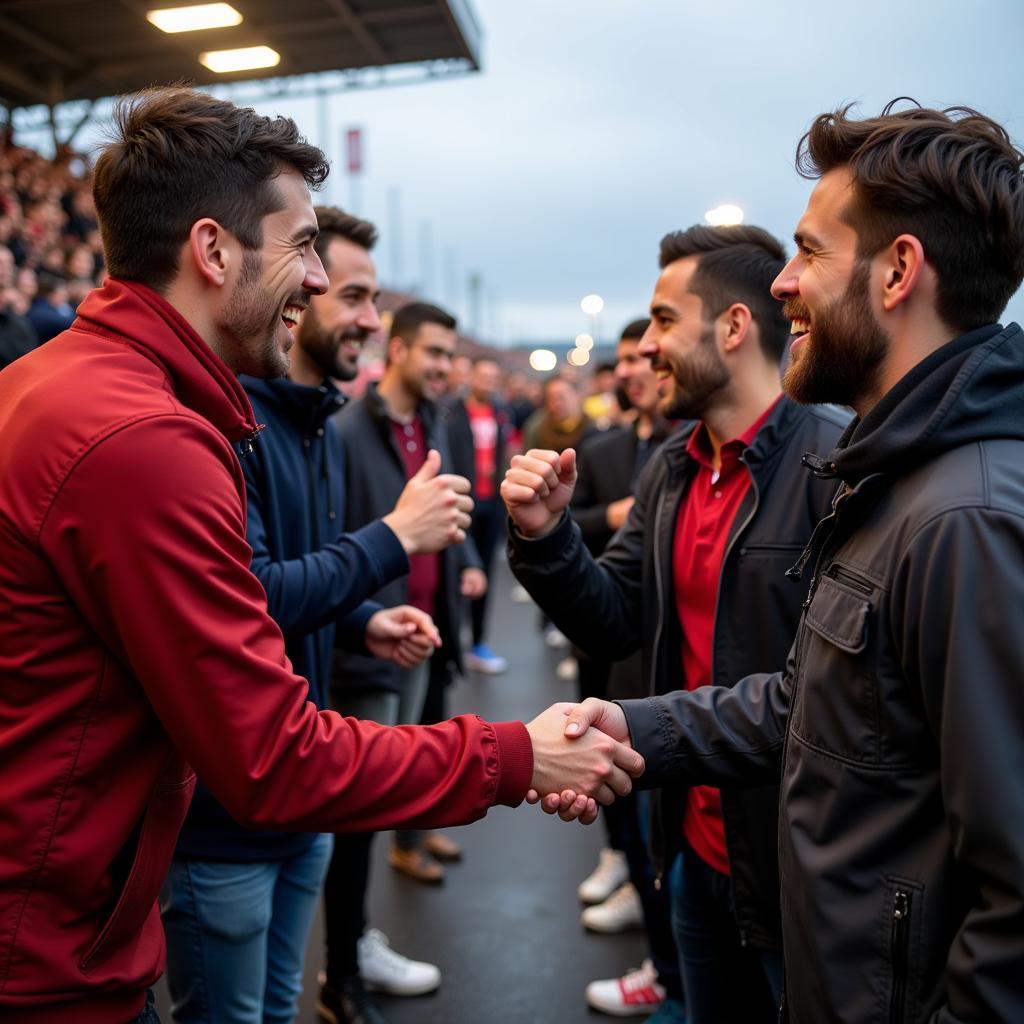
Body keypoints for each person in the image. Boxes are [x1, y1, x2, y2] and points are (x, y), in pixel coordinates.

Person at [0, 85, 643, 1024]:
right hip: (46, 958)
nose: (313, 279)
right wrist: (517, 755)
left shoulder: (59, 382)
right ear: (213, 250)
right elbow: (269, 758)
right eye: (301, 245)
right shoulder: (141, 436)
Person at [548, 101, 1024, 1023]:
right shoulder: (896, 475)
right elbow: (815, 703)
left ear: (898, 272)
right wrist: (632, 724)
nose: (782, 285)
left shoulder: (967, 516)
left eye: (809, 252)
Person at [503, 224, 849, 1022]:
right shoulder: (673, 467)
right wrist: (546, 535)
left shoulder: (834, 468)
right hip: (691, 847)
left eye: (663, 321)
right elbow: (617, 620)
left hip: (797, 869)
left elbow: (827, 699)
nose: (647, 348)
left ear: (732, 328)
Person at [159, 207, 462, 1024]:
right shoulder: (219, 427)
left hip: (301, 788)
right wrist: (394, 539)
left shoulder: (309, 421)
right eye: (349, 293)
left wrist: (363, 618)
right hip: (225, 818)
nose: (366, 314)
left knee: (273, 1011)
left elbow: (304, 568)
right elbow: (249, 594)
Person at [325, 301, 485, 1022]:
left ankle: (369, 918)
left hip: (422, 630)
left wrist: (468, 565)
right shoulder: (346, 430)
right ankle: (345, 963)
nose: (446, 367)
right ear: (397, 351)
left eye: (451, 355)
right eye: (434, 353)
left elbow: (453, 515)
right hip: (368, 643)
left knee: (400, 771)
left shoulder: (438, 423)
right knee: (356, 811)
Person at [569, 318, 684, 1017]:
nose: (639, 370)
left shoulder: (686, 457)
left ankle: (669, 974)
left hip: (692, 694)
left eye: (652, 357)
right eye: (631, 361)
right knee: (641, 827)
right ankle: (661, 957)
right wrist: (559, 530)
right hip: (625, 668)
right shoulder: (612, 450)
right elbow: (586, 545)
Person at [446, 356, 513, 674]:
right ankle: (452, 639)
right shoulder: (452, 414)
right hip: (460, 501)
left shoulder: (500, 414)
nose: (487, 382)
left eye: (493, 377)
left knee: (484, 572)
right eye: (483, 375)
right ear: (471, 376)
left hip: (490, 504)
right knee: (456, 571)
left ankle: (478, 642)